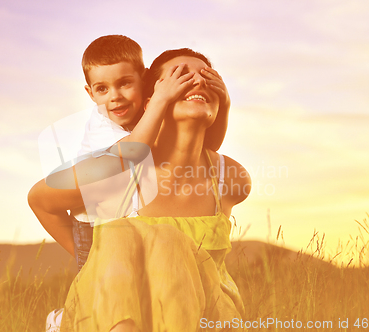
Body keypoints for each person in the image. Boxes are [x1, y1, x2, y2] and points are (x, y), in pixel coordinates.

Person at [56, 49, 251, 332]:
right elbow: (42, 200)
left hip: (210, 315)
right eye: (180, 76)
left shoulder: (231, 179)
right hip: (119, 311)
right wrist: (92, 261)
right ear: (152, 102)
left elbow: (208, 143)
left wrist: (225, 103)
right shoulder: (119, 168)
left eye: (208, 78)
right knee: (119, 235)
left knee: (168, 242)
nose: (197, 82)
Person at [29, 35, 231, 267]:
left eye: (125, 83)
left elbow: (209, 147)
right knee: (96, 278)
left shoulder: (141, 117)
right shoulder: (105, 129)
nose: (115, 96)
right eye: (102, 89)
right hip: (91, 223)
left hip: (121, 221)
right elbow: (134, 153)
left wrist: (223, 104)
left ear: (143, 79)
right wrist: (161, 98)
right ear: (90, 93)